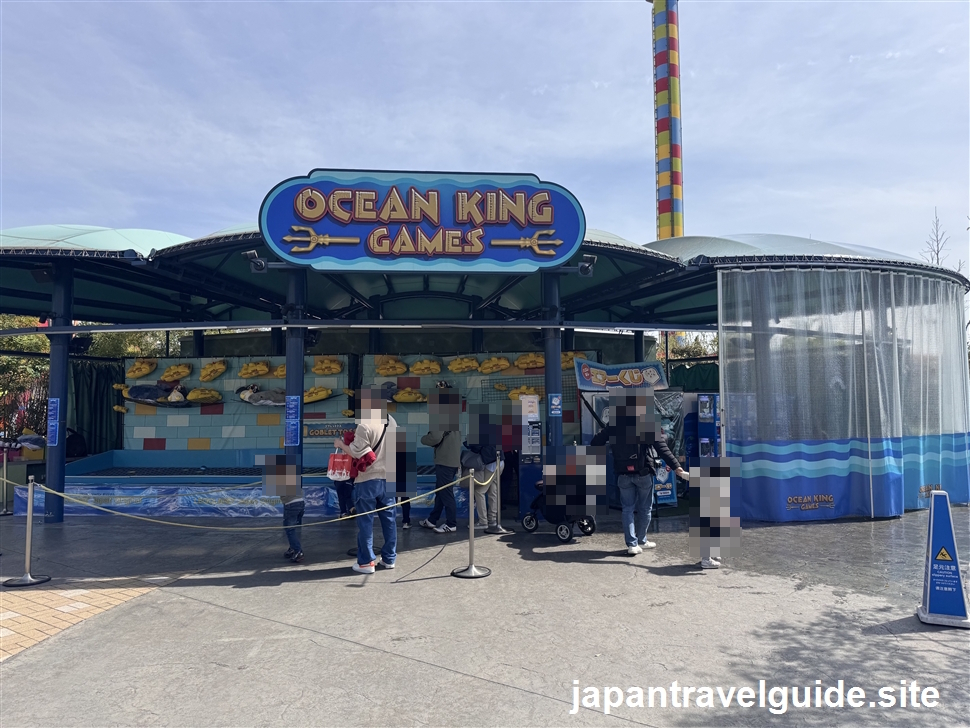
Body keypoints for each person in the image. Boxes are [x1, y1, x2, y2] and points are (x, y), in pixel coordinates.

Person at [591, 390, 687, 556]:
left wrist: (608, 434)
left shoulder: (614, 424)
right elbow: (662, 448)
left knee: (627, 509)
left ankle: (632, 544)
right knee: (645, 508)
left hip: (622, 474)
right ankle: (641, 539)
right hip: (643, 473)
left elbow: (595, 442)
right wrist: (677, 467)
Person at [334, 387, 397, 574]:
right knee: (390, 520)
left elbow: (356, 452)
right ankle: (389, 559)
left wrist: (340, 444)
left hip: (368, 479)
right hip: (389, 478)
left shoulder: (365, 425)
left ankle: (366, 562)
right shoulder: (392, 422)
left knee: (365, 522)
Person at [418, 388, 461, 534]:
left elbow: (435, 438)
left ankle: (451, 523)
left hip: (444, 462)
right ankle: (432, 520)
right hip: (452, 461)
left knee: (446, 493)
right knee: (441, 492)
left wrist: (423, 439)